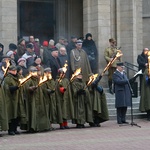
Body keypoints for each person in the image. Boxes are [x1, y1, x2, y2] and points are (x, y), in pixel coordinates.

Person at [3, 65, 21, 135]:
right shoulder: (8, 78)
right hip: (10, 98)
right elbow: (7, 88)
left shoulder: (18, 77)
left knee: (17, 114)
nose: (15, 72)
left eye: (15, 70)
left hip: (17, 98)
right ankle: (11, 130)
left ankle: (15, 128)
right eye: (13, 70)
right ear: (9, 71)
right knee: (11, 113)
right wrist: (15, 87)